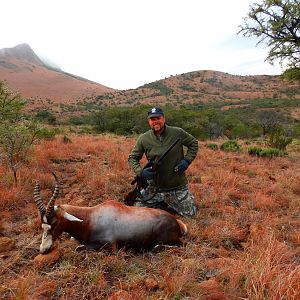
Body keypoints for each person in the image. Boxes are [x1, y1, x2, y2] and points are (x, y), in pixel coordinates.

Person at [128, 107, 198, 217]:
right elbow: (132, 158)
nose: (155, 122)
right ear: (149, 121)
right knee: (137, 212)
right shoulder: (143, 139)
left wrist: (186, 160)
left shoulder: (177, 132)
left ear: (164, 118)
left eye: (158, 118)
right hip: (154, 187)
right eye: (152, 119)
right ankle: (162, 203)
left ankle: (170, 201)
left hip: (177, 186)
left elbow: (193, 143)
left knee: (191, 214)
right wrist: (140, 172)